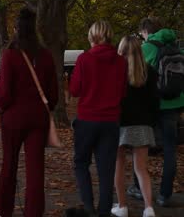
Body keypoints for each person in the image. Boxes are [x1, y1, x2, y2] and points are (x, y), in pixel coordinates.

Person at [0, 9, 58, 217]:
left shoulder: (10, 54)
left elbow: (3, 92)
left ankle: (4, 208)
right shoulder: (46, 55)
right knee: (36, 170)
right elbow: (53, 93)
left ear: (16, 29)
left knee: (9, 164)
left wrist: (3, 108)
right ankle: (33, 211)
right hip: (38, 118)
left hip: (13, 117)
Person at [69, 20, 127, 217]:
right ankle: (104, 210)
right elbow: (123, 92)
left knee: (81, 162)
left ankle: (87, 204)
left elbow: (75, 90)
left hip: (87, 118)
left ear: (92, 36)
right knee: (106, 168)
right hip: (110, 121)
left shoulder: (84, 59)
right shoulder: (121, 62)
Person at [130, 17, 184, 207]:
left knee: (141, 146)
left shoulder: (146, 49)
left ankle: (137, 187)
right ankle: (165, 195)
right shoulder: (177, 47)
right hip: (175, 105)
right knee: (170, 150)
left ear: (145, 31)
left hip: (152, 106)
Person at [111, 35, 159, 217]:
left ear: (121, 51)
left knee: (119, 165)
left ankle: (122, 206)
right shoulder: (151, 71)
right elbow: (155, 102)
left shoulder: (116, 72)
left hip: (120, 124)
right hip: (143, 125)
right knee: (141, 169)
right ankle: (149, 208)